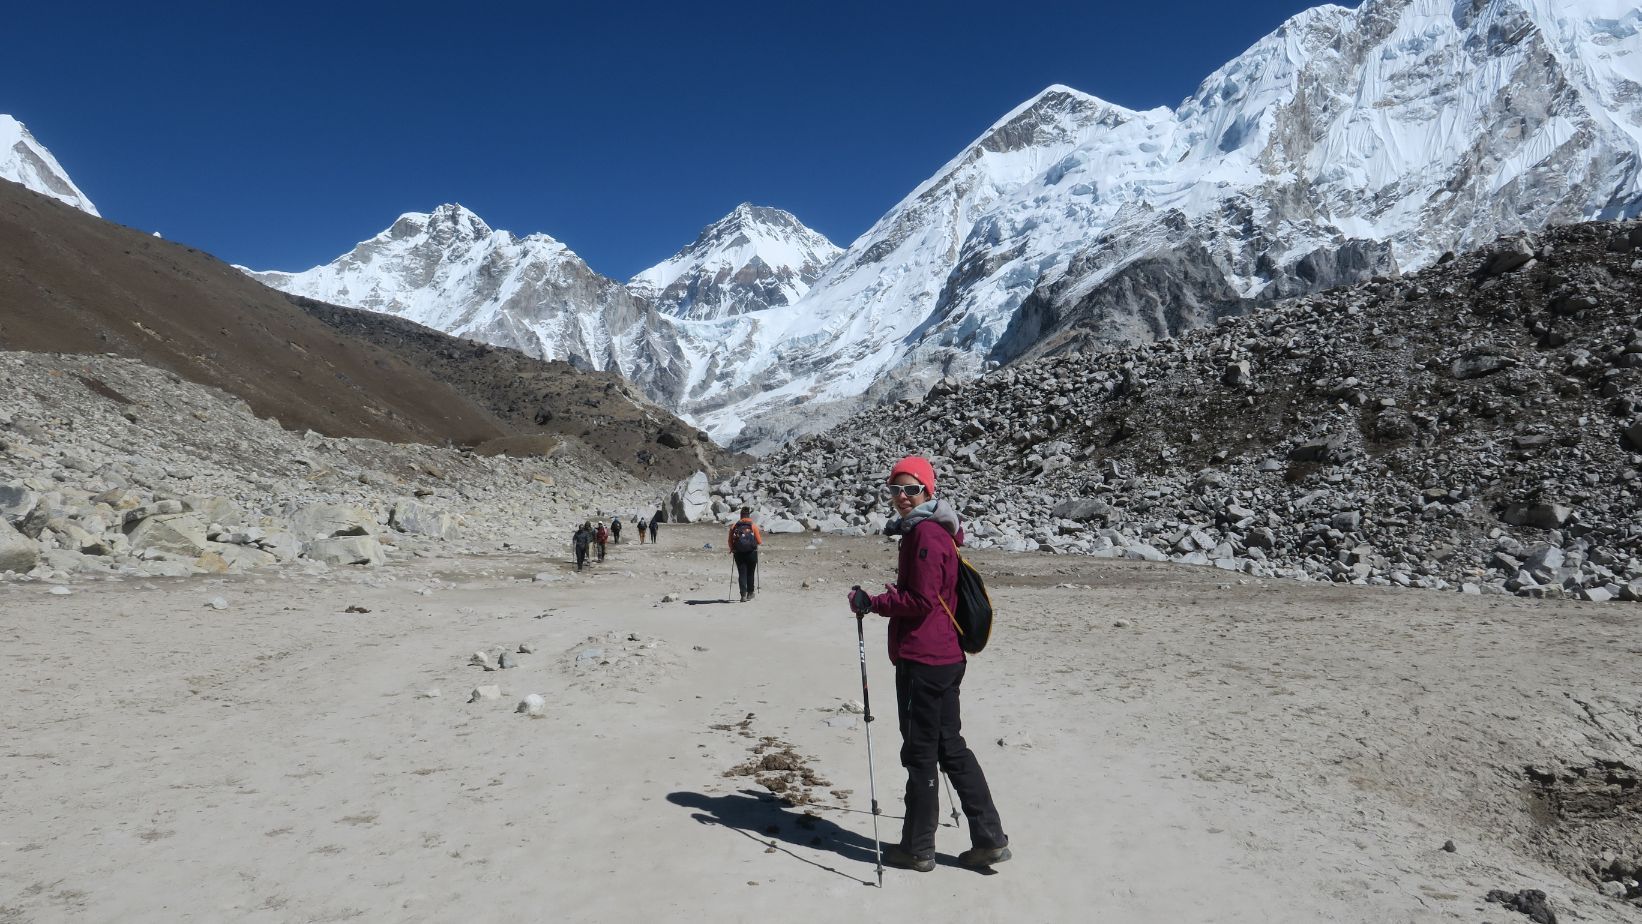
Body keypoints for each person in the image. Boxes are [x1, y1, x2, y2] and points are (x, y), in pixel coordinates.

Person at [847, 455, 1010, 873]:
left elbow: (919, 601)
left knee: (920, 753)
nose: (902, 496)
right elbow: (932, 594)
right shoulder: (939, 531)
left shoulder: (922, 535)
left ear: (927, 491)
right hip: (946, 656)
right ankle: (989, 839)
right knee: (950, 746)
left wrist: (873, 602)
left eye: (911, 489)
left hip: (924, 660)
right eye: (896, 489)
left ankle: (918, 848)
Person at [727, 507, 763, 603]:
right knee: (750, 573)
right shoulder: (753, 526)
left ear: (741, 515)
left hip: (738, 553)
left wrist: (732, 549)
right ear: (749, 515)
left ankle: (743, 594)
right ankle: (750, 593)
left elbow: (730, 541)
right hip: (751, 553)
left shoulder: (734, 526)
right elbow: (759, 541)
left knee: (742, 573)